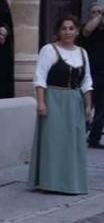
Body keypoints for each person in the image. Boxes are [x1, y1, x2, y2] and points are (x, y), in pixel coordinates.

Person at [28, 15, 92, 194]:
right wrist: (41, 103)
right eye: (64, 28)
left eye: (71, 28)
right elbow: (40, 78)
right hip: (54, 99)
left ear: (77, 31)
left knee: (72, 142)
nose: (68, 32)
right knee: (53, 140)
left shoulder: (82, 53)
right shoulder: (49, 50)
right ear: (58, 31)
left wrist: (88, 105)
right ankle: (51, 182)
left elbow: (87, 81)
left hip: (74, 101)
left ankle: (70, 182)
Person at [80, 2, 104, 148]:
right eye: (94, 12)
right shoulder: (85, 28)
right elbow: (88, 30)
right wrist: (100, 16)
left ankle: (94, 139)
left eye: (99, 12)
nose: (97, 15)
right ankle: (80, 134)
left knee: (101, 109)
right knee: (86, 107)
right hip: (90, 74)